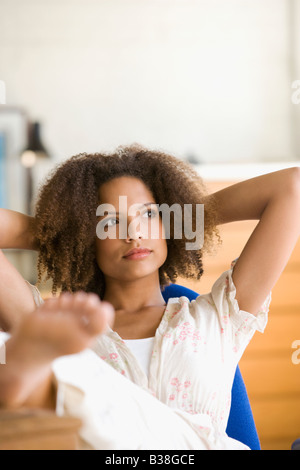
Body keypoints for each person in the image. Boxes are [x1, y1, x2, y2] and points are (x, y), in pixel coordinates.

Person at [0, 144, 299, 450]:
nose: (134, 233)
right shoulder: (60, 328)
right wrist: (64, 236)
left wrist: (186, 220)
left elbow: (292, 187)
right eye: (110, 222)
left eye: (148, 214)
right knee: (73, 367)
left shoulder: (219, 316)